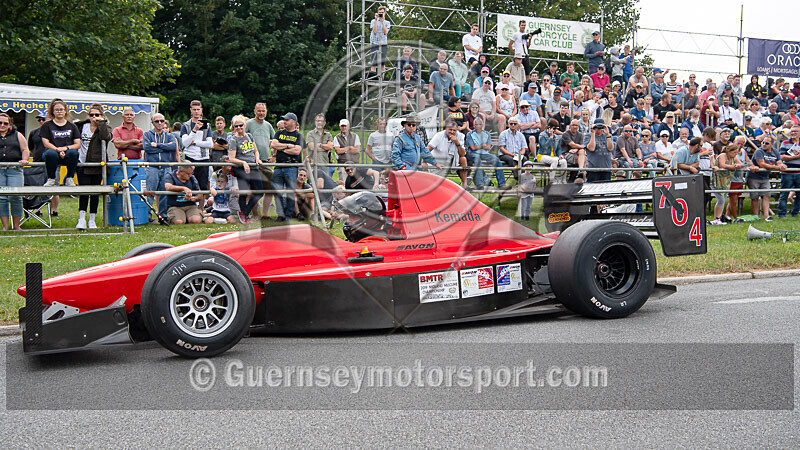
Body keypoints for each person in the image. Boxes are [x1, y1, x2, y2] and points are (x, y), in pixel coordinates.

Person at [75, 103, 112, 230]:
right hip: (82, 163)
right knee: (84, 191)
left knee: (95, 193)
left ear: (102, 115)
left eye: (97, 115)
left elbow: (105, 137)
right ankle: (81, 219)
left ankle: (92, 220)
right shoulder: (81, 127)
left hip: (97, 164)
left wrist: (101, 123)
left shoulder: (105, 127)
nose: (94, 117)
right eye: (91, 115)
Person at [142, 113, 179, 221]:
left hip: (166, 167)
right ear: (152, 122)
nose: (159, 123)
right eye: (157, 121)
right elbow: (147, 148)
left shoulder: (169, 135)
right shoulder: (147, 134)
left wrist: (157, 145)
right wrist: (165, 147)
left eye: (162, 121)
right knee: (150, 192)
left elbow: (173, 147)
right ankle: (147, 216)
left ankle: (163, 215)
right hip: (152, 167)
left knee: (164, 193)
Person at [227, 114, 263, 223]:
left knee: (259, 191)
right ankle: (244, 214)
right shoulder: (233, 140)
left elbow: (256, 151)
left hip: (253, 166)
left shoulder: (249, 136)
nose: (238, 128)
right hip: (241, 168)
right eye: (236, 126)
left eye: (240, 125)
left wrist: (257, 159)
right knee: (244, 191)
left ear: (245, 125)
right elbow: (231, 158)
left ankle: (245, 212)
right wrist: (243, 162)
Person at [270, 112, 303, 222]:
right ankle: (280, 214)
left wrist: (281, 149)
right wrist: (288, 146)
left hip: (292, 167)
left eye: (287, 120)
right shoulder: (279, 133)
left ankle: (288, 215)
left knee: (290, 192)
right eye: (284, 119)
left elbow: (297, 151)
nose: (284, 121)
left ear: (294, 122)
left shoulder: (298, 135)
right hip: (279, 166)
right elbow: (273, 144)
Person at [245, 103, 276, 219]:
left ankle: (265, 214)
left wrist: (274, 156)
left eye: (263, 111)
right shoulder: (248, 124)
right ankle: (255, 215)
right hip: (252, 162)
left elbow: (275, 141)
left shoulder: (268, 125)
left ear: (266, 112)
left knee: (270, 187)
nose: (261, 113)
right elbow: (242, 139)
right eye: (259, 111)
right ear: (254, 111)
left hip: (265, 162)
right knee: (254, 189)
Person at [40, 99, 80, 187]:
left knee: (74, 153)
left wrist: (65, 149)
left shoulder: (72, 126)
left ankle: (69, 178)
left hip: (67, 152)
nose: (59, 111)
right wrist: (57, 150)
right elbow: (46, 143)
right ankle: (51, 179)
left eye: (61, 109)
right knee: (51, 154)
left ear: (65, 111)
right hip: (52, 152)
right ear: (53, 111)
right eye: (56, 110)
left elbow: (77, 144)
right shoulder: (47, 125)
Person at [0, 112, 30, 231]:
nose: (2, 125)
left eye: (5, 123)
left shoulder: (18, 135)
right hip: (0, 170)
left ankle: (17, 225)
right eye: (0, 123)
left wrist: (24, 159)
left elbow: (25, 149)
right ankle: (5, 226)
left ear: (10, 124)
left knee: (16, 197)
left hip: (15, 170)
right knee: (1, 198)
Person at [180, 100, 213, 199]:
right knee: (189, 184)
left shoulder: (207, 126)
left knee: (203, 187)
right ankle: (190, 206)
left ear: (201, 110)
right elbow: (185, 143)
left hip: (203, 158)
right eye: (194, 109)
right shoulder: (186, 125)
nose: (196, 112)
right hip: (190, 158)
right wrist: (194, 130)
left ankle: (201, 207)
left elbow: (210, 144)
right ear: (191, 110)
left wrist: (194, 142)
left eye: (198, 109)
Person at [748, 135, 784, 221]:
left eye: (766, 143)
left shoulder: (775, 151)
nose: (764, 144)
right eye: (763, 142)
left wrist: (781, 166)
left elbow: (779, 162)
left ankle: (766, 216)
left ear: (771, 144)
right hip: (754, 177)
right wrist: (776, 167)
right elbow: (761, 164)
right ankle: (756, 216)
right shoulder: (759, 151)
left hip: (765, 177)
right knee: (754, 197)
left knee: (766, 196)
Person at [466, 116, 505, 188]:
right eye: (476, 124)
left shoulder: (487, 134)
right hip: (474, 153)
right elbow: (473, 148)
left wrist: (479, 146)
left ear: (482, 125)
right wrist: (482, 145)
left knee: (497, 161)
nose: (478, 126)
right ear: (473, 125)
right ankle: (480, 184)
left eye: (480, 124)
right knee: (478, 161)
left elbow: (488, 147)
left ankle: (502, 184)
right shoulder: (469, 134)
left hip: (485, 153)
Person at [426, 119, 468, 186]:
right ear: (446, 129)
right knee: (436, 184)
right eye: (450, 129)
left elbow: (462, 154)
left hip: (452, 160)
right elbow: (428, 149)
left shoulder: (460, 136)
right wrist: (424, 162)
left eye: (454, 130)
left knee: (463, 159)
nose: (452, 132)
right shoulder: (439, 135)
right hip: (438, 161)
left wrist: (457, 142)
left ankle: (465, 184)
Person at [710, 144, 741, 225]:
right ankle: (716, 218)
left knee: (723, 200)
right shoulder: (722, 155)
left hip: (726, 182)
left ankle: (718, 218)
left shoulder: (734, 158)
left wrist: (738, 165)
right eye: (734, 152)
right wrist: (733, 167)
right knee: (721, 200)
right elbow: (722, 165)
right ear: (729, 151)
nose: (735, 154)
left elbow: (741, 164)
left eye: (736, 153)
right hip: (717, 181)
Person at [305, 113, 335, 187]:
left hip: (325, 164)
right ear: (315, 122)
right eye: (318, 121)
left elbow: (330, 147)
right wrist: (324, 146)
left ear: (324, 123)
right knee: (312, 185)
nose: (319, 122)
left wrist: (319, 145)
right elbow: (312, 147)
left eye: (321, 121)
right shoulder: (310, 134)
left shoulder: (328, 135)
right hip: (313, 164)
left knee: (325, 185)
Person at [777, 125, 800, 218]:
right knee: (784, 194)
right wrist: (796, 157)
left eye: (795, 131)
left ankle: (795, 213)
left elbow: (786, 156)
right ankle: (782, 214)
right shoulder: (785, 143)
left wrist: (791, 156)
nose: (793, 133)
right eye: (792, 131)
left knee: (799, 194)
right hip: (787, 172)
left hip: (799, 172)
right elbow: (782, 156)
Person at [536, 118, 568, 184]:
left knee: (564, 161)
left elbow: (558, 148)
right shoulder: (542, 135)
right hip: (542, 156)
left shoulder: (556, 137)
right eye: (555, 128)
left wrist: (560, 154)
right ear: (550, 127)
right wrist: (550, 138)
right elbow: (544, 146)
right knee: (554, 160)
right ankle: (552, 181)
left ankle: (563, 180)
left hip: (553, 156)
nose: (556, 130)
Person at [369, 5, 391, 74]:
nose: (381, 14)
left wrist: (382, 21)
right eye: (379, 13)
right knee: (373, 63)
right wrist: (376, 20)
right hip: (374, 43)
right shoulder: (373, 21)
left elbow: (386, 32)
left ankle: (382, 78)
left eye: (382, 12)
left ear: (385, 13)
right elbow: (374, 31)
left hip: (383, 44)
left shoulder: (387, 22)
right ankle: (373, 77)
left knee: (382, 64)